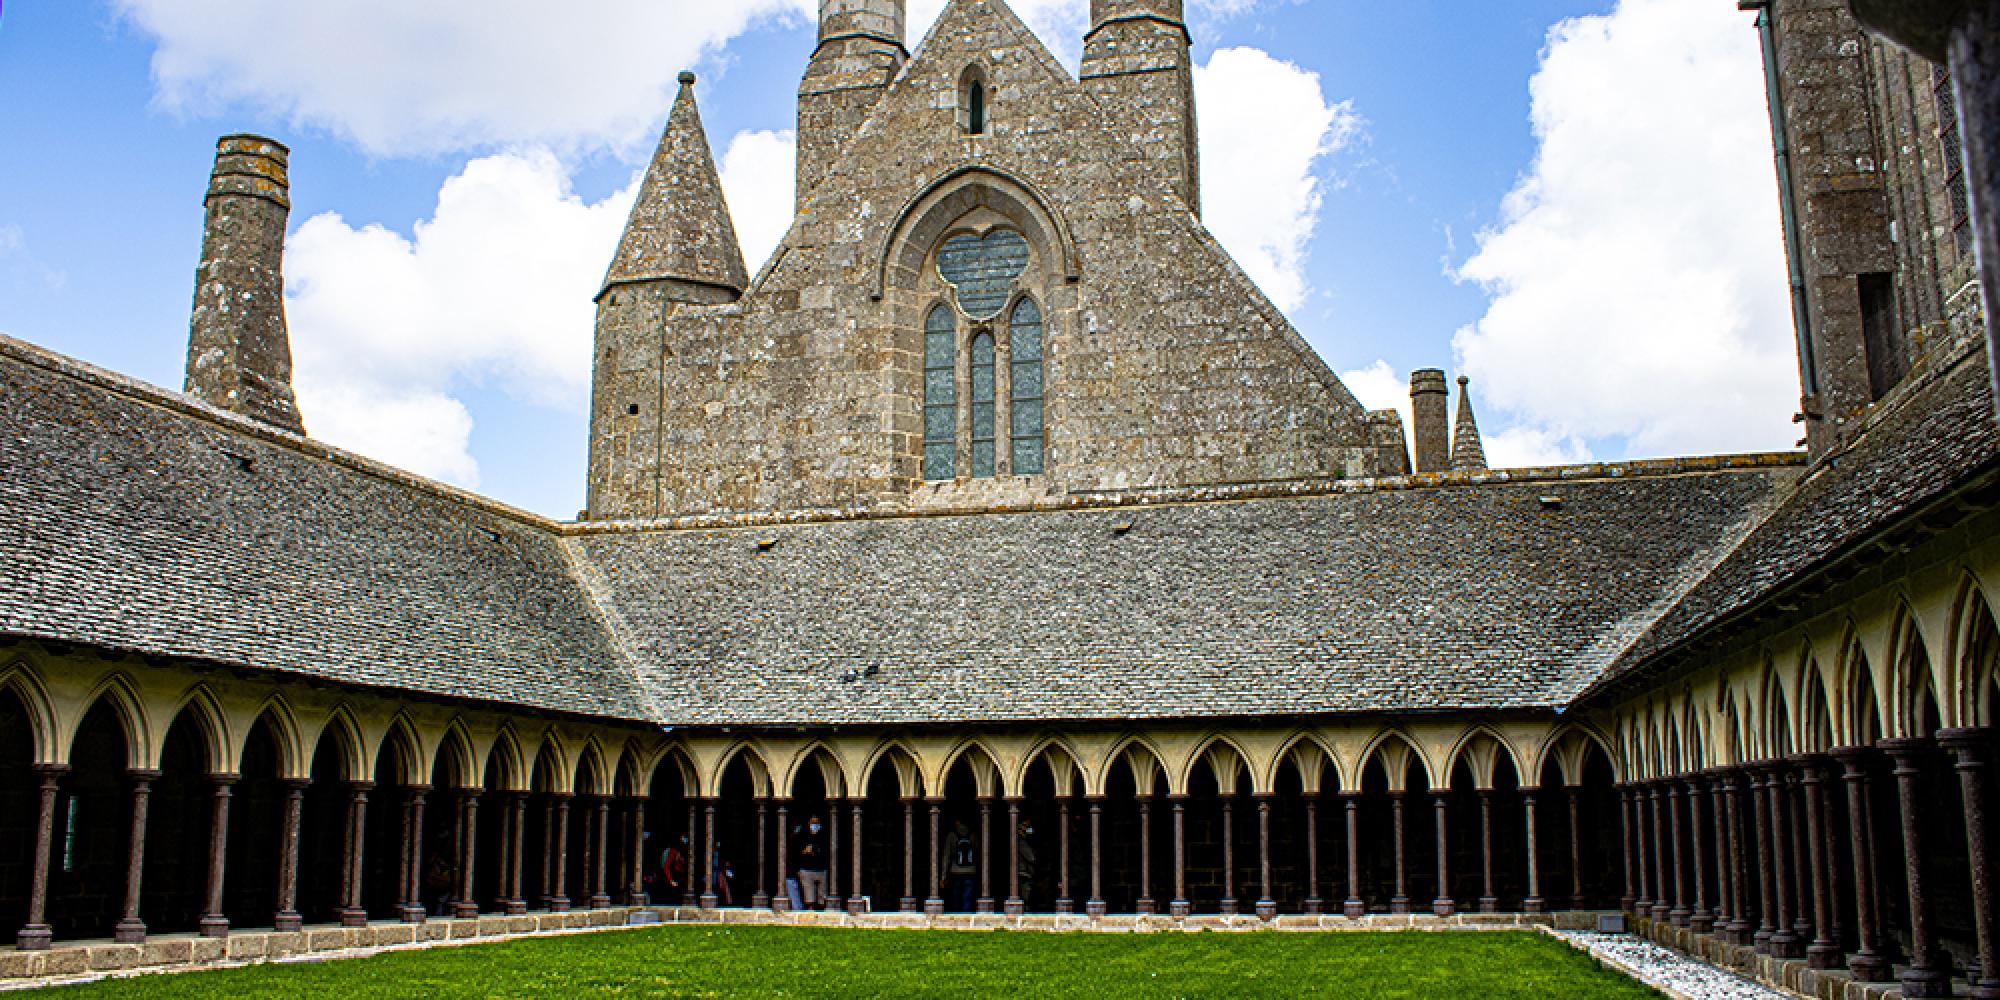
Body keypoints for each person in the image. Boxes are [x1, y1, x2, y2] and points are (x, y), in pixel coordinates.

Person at [942, 819, 977, 912]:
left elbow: (946, 856)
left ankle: (956, 915)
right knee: (968, 896)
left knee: (955, 897)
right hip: (971, 871)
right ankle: (967, 915)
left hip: (955, 871)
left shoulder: (952, 835)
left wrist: (943, 876)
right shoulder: (973, 835)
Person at [793, 814, 828, 908]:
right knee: (809, 899)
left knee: (822, 899)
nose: (815, 825)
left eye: (817, 823)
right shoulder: (802, 835)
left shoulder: (824, 835)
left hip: (821, 869)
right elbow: (799, 850)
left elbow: (825, 850)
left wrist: (813, 849)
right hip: (806, 869)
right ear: (808, 823)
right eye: (813, 823)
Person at [662, 834, 691, 904]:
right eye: (684, 837)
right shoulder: (674, 850)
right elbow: (666, 866)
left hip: (682, 878)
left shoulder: (686, 849)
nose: (685, 839)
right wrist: (671, 880)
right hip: (674, 877)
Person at [1015, 820, 1036, 910]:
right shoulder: (1021, 842)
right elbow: (1031, 858)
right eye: (1025, 826)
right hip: (1023, 874)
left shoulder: (1023, 841)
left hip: (1024, 873)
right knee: (1025, 899)